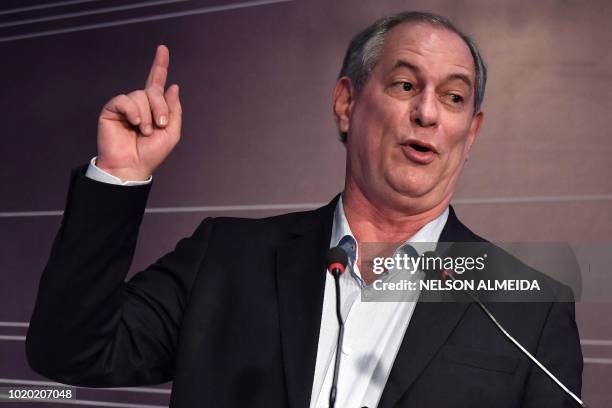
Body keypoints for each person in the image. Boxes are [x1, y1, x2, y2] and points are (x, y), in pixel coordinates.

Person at [26, 11, 583, 408]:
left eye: (454, 97)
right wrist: (120, 175)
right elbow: (70, 350)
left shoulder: (527, 310)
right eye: (405, 84)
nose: (428, 113)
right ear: (346, 103)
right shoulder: (225, 258)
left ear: (472, 131)